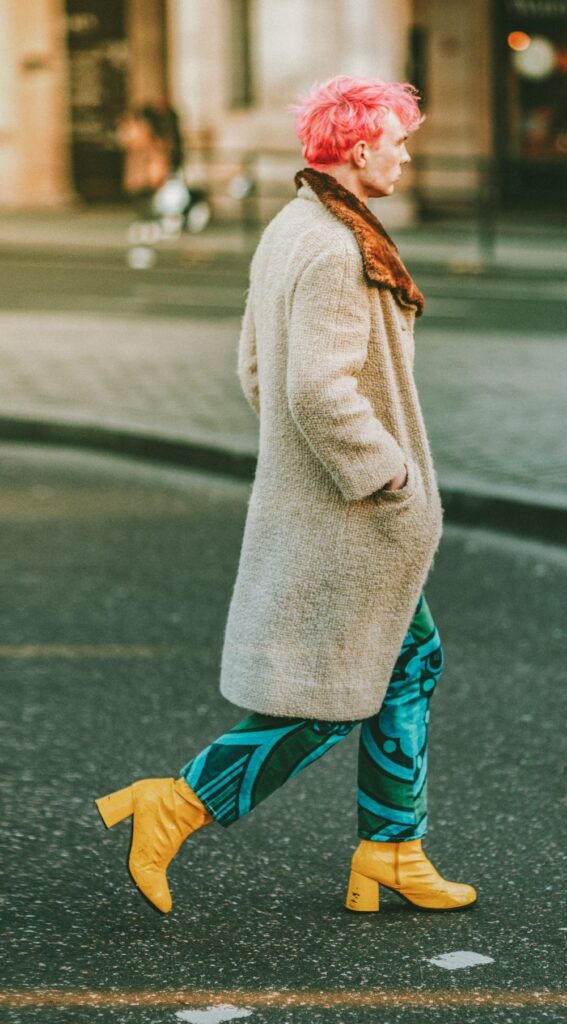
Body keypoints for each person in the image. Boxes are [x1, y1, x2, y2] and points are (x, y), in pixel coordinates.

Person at [96, 75, 477, 916]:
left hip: (327, 502)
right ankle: (179, 803)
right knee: (332, 693)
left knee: (405, 661)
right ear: (357, 147)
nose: (407, 154)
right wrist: (385, 473)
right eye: (397, 139)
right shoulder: (338, 249)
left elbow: (256, 370)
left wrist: (307, 462)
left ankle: (391, 848)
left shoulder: (293, 226)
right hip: (353, 512)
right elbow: (313, 388)